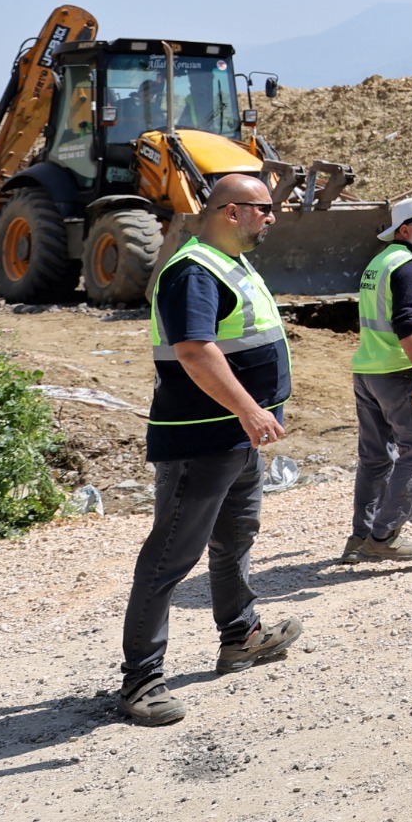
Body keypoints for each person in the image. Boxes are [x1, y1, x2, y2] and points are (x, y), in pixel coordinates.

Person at [119, 172, 304, 727]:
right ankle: (141, 680)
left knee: (235, 538)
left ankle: (240, 635)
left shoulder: (229, 263)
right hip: (201, 437)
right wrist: (250, 408)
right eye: (264, 208)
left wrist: (252, 415)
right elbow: (196, 351)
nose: (272, 217)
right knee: (171, 557)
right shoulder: (192, 270)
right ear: (231, 212)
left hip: (235, 436)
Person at [344, 195, 412, 564]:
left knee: (374, 458)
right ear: (404, 231)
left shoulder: (379, 262)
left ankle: (360, 537)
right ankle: (384, 536)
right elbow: (406, 323)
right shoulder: (407, 267)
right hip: (398, 372)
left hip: (369, 370)